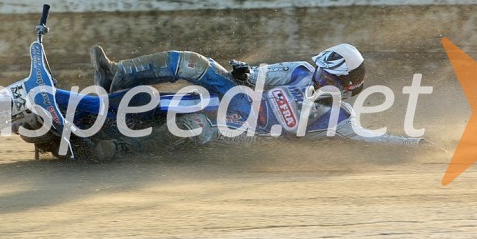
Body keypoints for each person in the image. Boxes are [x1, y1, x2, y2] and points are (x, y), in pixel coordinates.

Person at [89, 44, 423, 158]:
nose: (321, 79)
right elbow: (258, 76)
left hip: (247, 135)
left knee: (193, 126)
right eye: (322, 72)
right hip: (239, 97)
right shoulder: (301, 70)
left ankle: (116, 150)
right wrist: (245, 72)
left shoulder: (341, 119)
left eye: (331, 79)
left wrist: (415, 144)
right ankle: (117, 75)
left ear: (346, 88)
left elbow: (376, 139)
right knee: (194, 62)